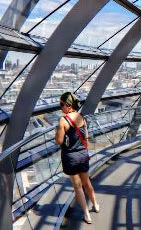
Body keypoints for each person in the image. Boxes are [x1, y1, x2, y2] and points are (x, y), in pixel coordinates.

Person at [55, 92, 98, 224]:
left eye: (61, 104)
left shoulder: (63, 120)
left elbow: (59, 141)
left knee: (78, 186)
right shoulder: (81, 117)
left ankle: (86, 214)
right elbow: (86, 137)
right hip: (83, 154)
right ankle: (95, 204)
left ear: (68, 105)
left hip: (70, 157)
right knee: (87, 182)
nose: (60, 107)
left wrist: (58, 131)